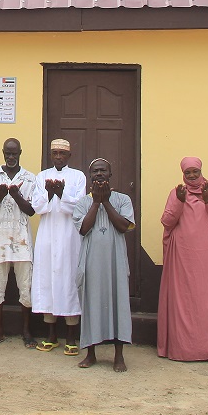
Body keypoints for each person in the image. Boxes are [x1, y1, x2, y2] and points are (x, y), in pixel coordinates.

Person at [158, 156, 208, 362]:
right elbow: (167, 221)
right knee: (183, 300)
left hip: (207, 255)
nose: (192, 176)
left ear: (201, 172)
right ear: (182, 175)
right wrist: (179, 202)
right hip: (182, 255)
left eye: (195, 172)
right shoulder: (177, 193)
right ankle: (181, 349)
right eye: (187, 173)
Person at [73, 158, 134, 372]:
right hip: (91, 261)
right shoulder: (82, 202)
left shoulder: (123, 199)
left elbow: (123, 226)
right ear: (90, 177)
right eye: (95, 171)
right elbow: (83, 229)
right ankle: (91, 354)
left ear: (110, 175)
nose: (99, 174)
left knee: (118, 303)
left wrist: (106, 201)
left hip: (115, 259)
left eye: (103, 171)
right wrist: (96, 202)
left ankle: (119, 356)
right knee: (91, 302)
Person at [31, 138, 86, 354]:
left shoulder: (78, 176)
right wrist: (50, 193)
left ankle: (71, 338)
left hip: (69, 237)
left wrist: (62, 194)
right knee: (47, 281)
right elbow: (36, 205)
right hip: (46, 237)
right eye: (55, 154)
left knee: (68, 281)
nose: (58, 157)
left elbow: (80, 205)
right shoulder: (42, 176)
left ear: (69, 156)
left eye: (62, 154)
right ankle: (51, 336)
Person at [0, 138, 36, 348]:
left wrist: (16, 194)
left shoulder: (30, 178)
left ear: (20, 153)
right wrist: (1, 194)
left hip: (22, 241)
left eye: (14, 153)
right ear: (2, 152)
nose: (11, 157)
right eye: (8, 153)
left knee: (26, 289)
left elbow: (31, 211)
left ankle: (26, 331)